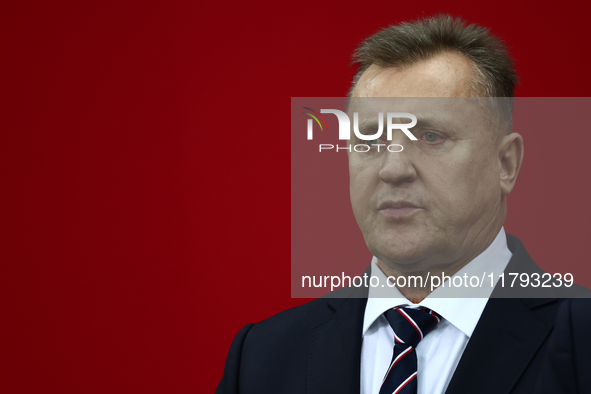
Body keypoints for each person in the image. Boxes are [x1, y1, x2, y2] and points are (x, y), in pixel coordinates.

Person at [216, 14, 589, 394]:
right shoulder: (262, 357)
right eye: (371, 140)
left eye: (430, 136)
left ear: (505, 163)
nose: (393, 169)